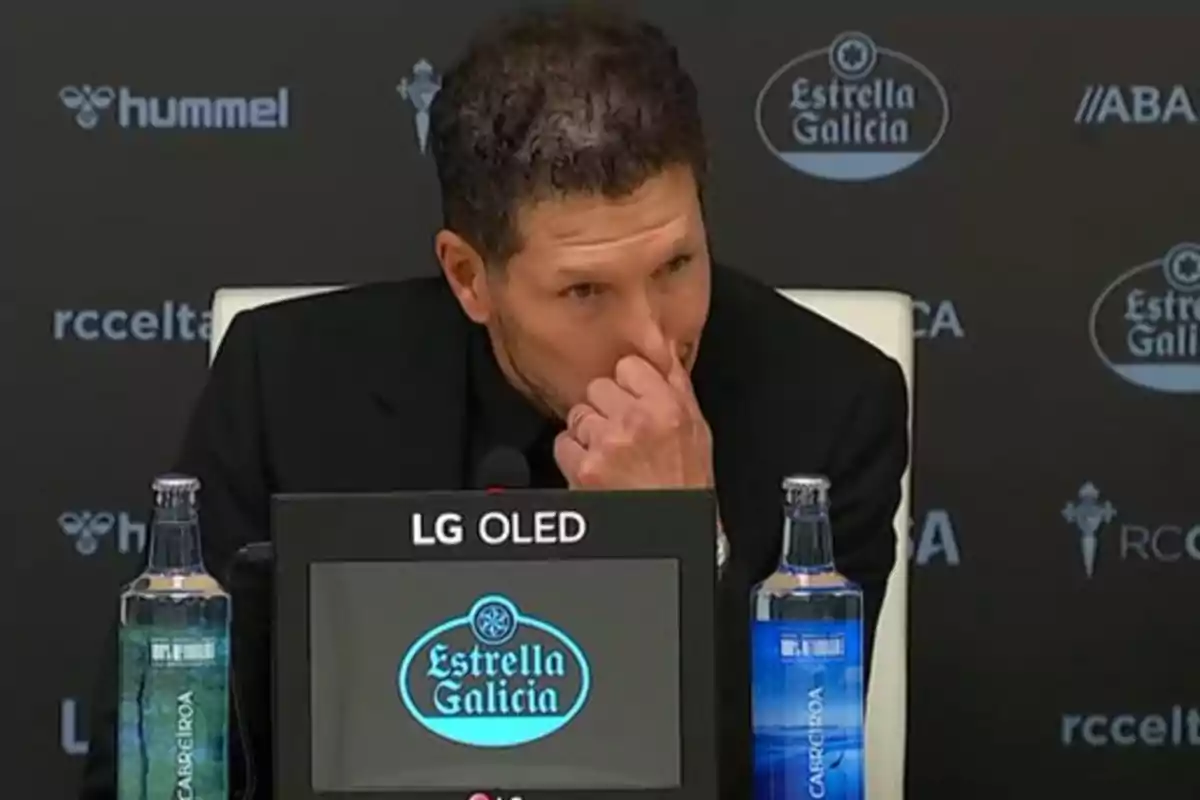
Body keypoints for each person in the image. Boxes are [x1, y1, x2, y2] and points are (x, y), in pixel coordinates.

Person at [79, 6, 908, 799]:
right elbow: (157, 763)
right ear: (470, 278)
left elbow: (795, 787)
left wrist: (684, 552)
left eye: (677, 267)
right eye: (585, 290)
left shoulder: (833, 408)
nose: (654, 341)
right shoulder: (285, 384)